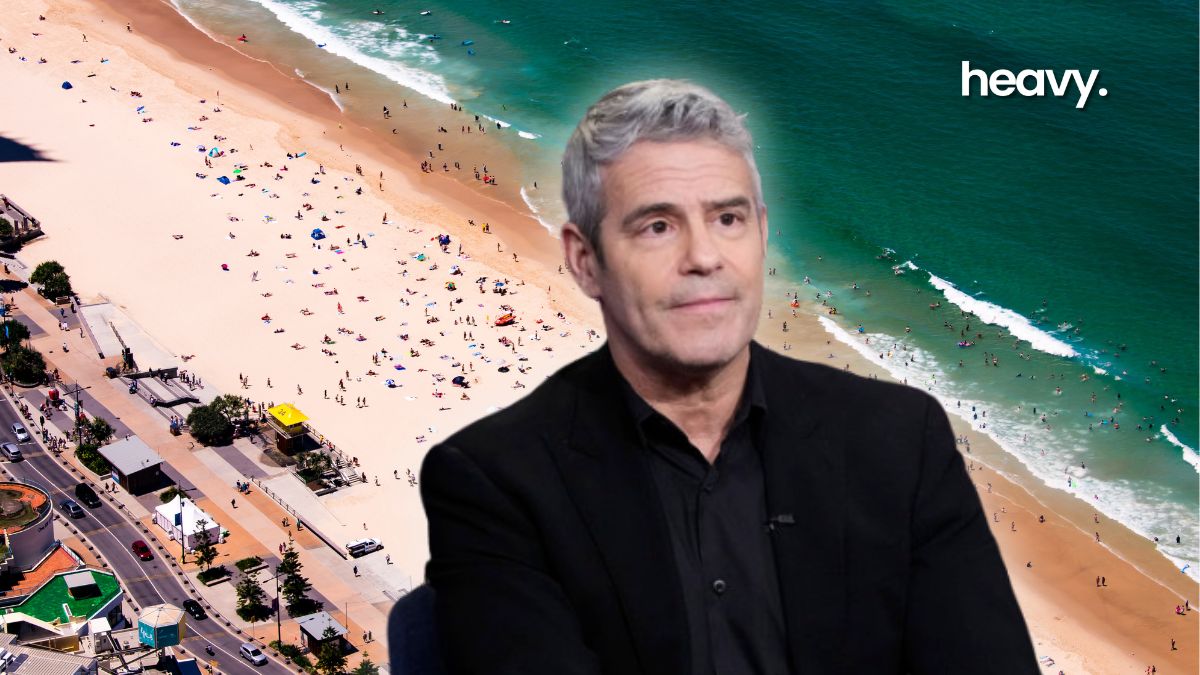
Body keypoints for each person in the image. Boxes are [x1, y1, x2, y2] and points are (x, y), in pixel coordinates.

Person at [418, 79, 1037, 674]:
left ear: (762, 232)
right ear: (586, 261)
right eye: (658, 226)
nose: (704, 257)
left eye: (728, 219)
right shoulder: (492, 481)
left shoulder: (900, 439)